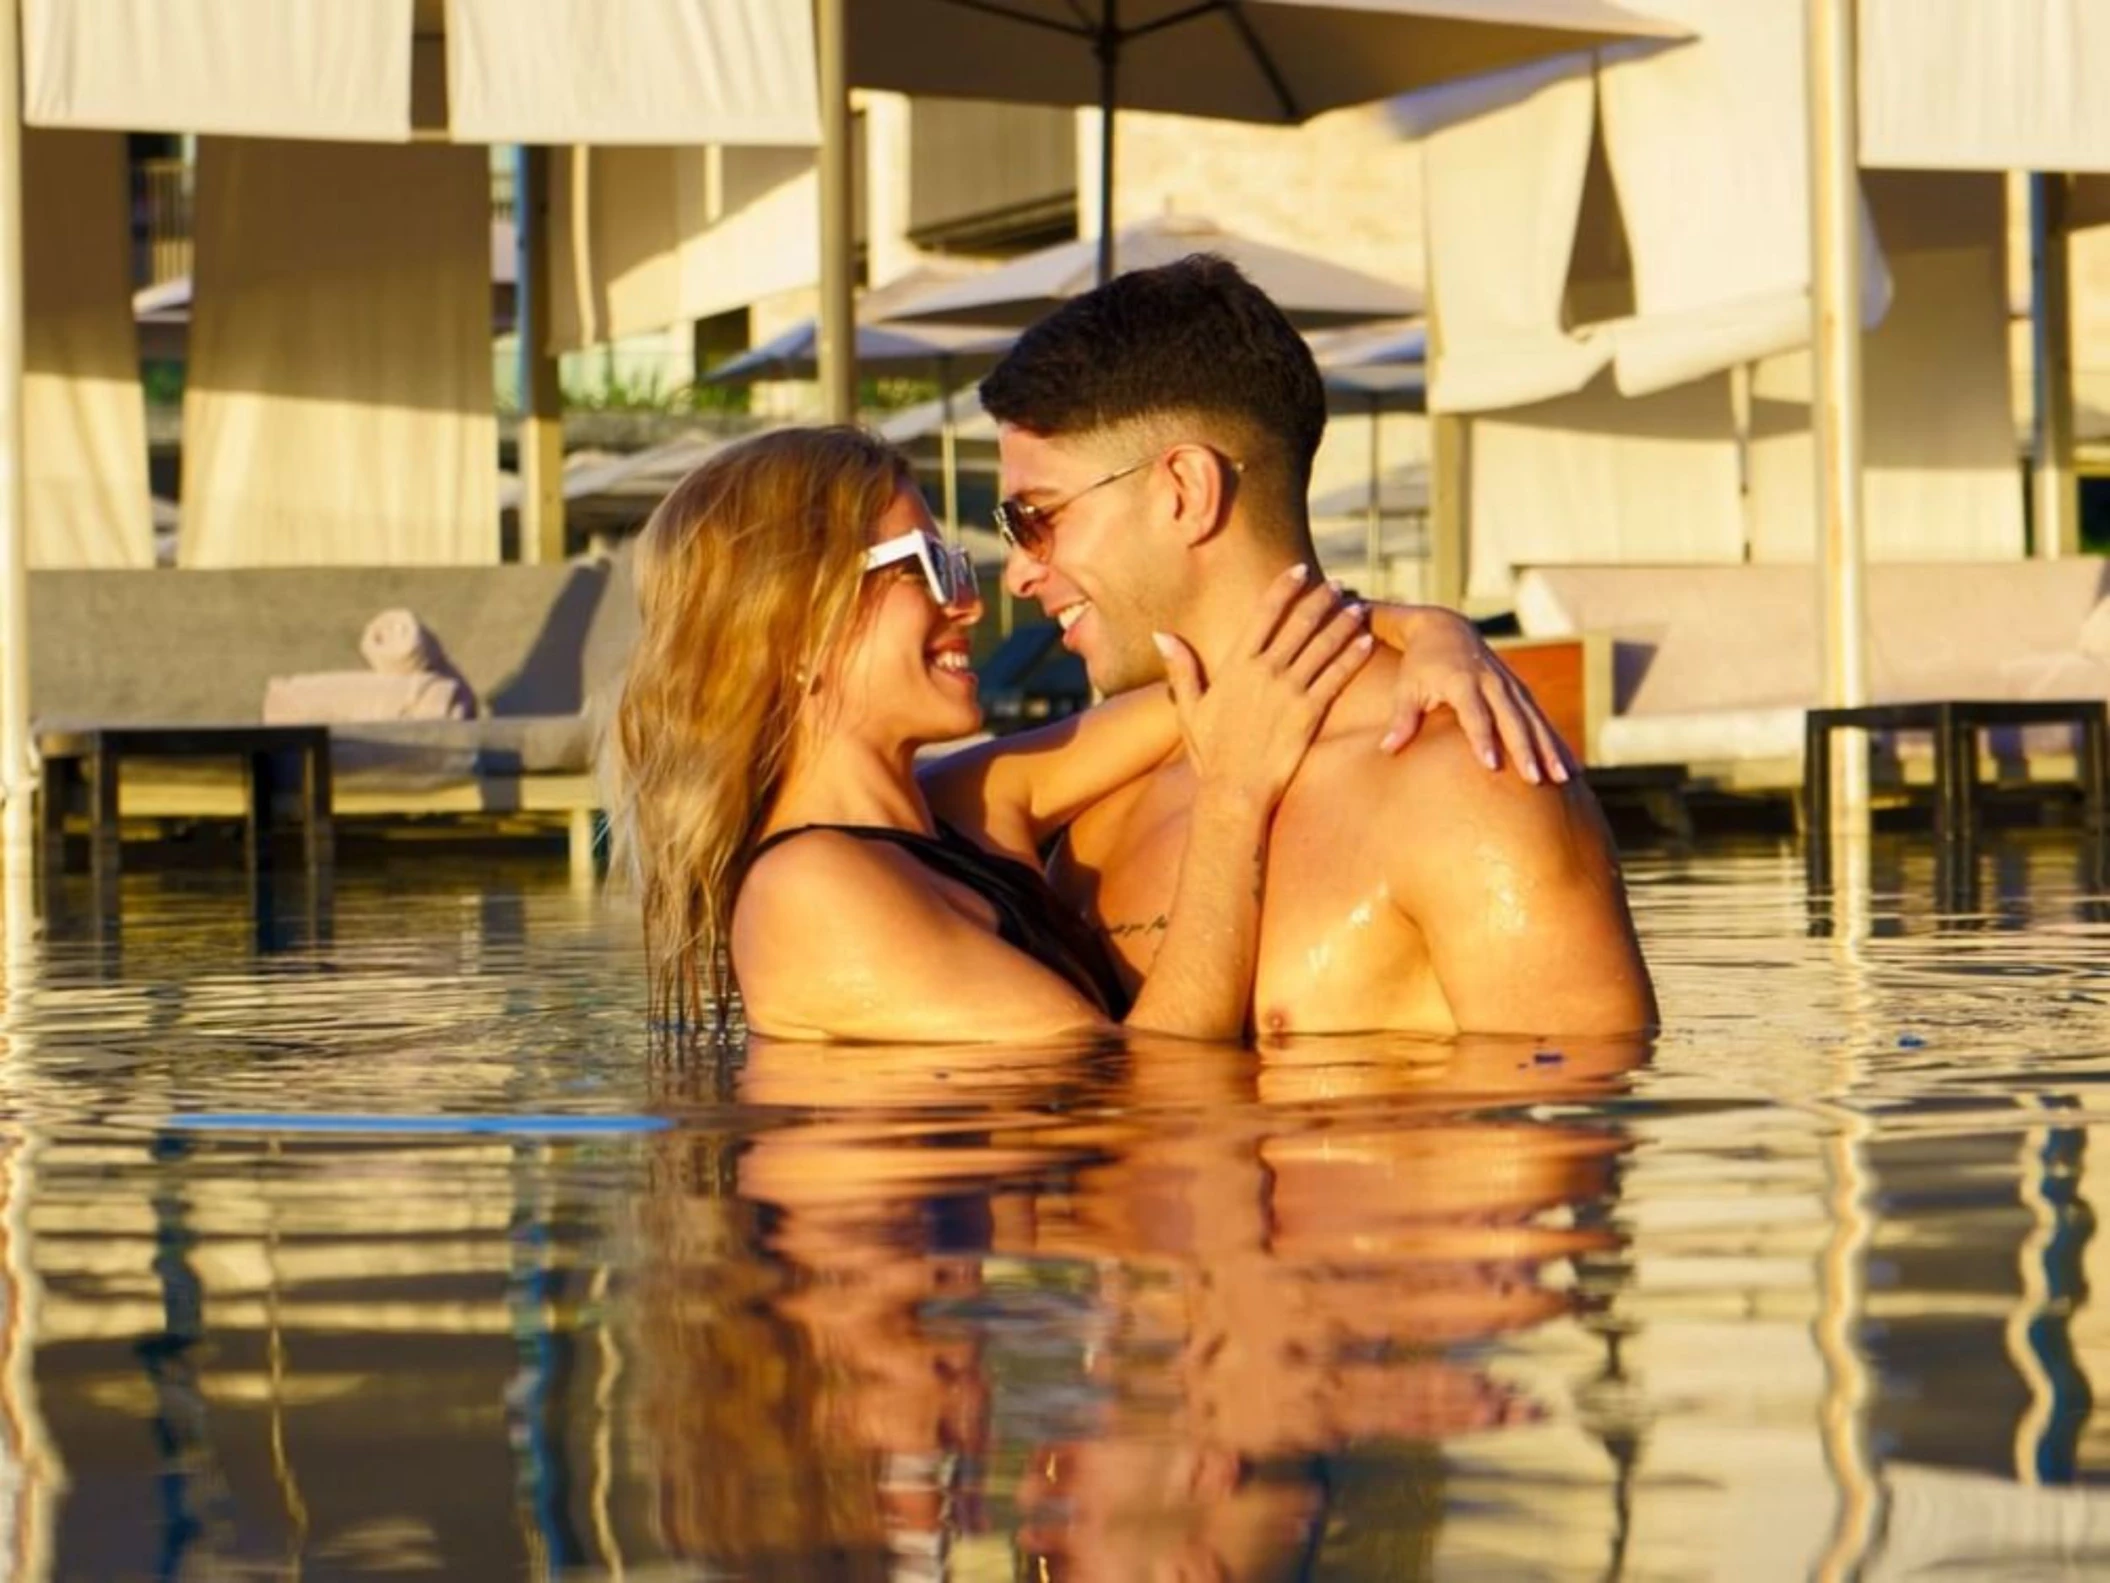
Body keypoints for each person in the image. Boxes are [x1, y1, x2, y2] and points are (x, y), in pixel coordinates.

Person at [607, 426, 1557, 1043]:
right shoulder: (810, 892)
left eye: (956, 561)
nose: (970, 599)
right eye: (924, 568)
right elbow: (1144, 1080)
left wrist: (1428, 628)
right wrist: (1232, 797)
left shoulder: (965, 813)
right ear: (795, 628)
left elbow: (1238, 674)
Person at [973, 255, 1659, 1038]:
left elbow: (1569, 1131)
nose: (1021, 572)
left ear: (1184, 492)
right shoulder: (1095, 798)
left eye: (1035, 516)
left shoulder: (1466, 786)